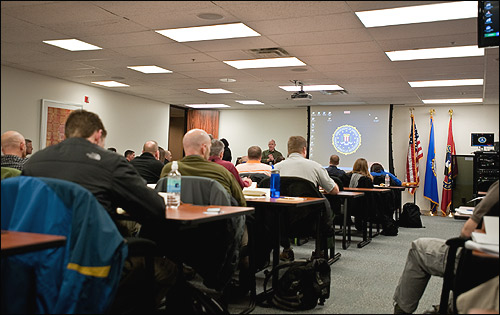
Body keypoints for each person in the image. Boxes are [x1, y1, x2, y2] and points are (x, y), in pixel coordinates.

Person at [21, 109, 177, 310]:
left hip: (40, 257)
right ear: (97, 135)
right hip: (93, 261)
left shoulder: (34, 161)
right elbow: (155, 209)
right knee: (167, 269)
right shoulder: (109, 163)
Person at [393, 180, 499, 314]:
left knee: (418, 248)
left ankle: (402, 311)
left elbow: (466, 232)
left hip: (480, 262)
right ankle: (450, 305)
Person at [273, 135, 339, 260]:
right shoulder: (315, 166)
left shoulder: (276, 168)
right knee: (325, 209)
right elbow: (334, 190)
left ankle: (286, 249)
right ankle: (320, 251)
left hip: (282, 220)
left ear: (288, 150)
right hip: (311, 221)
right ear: (304, 149)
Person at [160, 129, 246, 207]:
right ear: (204, 148)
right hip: (216, 222)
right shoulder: (221, 171)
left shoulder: (169, 169)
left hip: (176, 221)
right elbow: (241, 202)